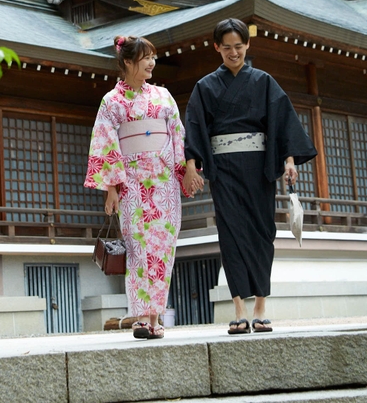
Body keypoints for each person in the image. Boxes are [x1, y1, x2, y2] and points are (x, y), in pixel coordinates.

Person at [184, 19, 317, 335]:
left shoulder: (264, 82)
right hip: (225, 169)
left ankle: (259, 306)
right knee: (231, 233)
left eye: (239, 47)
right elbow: (195, 126)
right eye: (227, 47)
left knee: (261, 231)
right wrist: (191, 165)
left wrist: (289, 161)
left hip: (259, 168)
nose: (233, 53)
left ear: (248, 46)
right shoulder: (205, 87)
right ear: (217, 47)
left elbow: (281, 123)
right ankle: (239, 310)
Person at [85, 35, 203, 340]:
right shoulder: (112, 101)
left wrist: (187, 170)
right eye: (145, 58)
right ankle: (140, 317)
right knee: (138, 251)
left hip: (163, 184)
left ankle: (156, 316)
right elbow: (106, 143)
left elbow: (178, 134)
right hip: (133, 185)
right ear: (127, 62)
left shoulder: (163, 96)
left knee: (162, 250)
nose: (151, 63)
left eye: (153, 57)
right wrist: (111, 188)